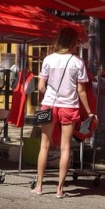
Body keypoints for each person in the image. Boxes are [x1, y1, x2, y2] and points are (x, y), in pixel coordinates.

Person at [31, 27, 95, 198]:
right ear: (73, 42)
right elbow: (81, 90)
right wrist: (89, 111)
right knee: (65, 148)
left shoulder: (48, 59)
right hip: (69, 106)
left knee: (44, 146)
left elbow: (41, 86)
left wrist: (50, 96)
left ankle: (39, 186)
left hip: (49, 105)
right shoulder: (77, 62)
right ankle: (60, 189)